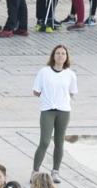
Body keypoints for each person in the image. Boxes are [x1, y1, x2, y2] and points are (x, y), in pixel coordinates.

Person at [31, 45, 76, 181]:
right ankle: (35, 171)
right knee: (44, 141)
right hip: (47, 110)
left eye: (63, 53)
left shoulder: (70, 74)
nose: (60, 56)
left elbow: (72, 92)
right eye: (58, 53)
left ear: (66, 57)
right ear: (53, 56)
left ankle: (55, 171)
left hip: (63, 111)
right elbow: (36, 91)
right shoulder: (44, 72)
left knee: (59, 142)